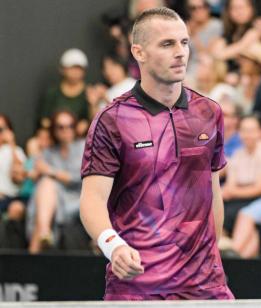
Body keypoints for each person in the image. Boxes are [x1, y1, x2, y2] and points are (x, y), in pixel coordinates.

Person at [79, 7, 233, 300]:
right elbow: (92, 198)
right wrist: (113, 245)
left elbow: (213, 191)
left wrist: (214, 258)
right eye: (167, 44)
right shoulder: (113, 119)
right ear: (139, 52)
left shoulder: (209, 112)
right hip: (138, 287)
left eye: (184, 42)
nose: (180, 52)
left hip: (205, 285)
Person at [27, 111, 86, 254]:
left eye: (70, 126)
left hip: (78, 197)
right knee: (46, 185)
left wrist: (50, 171)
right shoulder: (50, 152)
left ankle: (43, 233)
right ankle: (44, 232)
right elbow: (34, 175)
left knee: (47, 184)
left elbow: (78, 177)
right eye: (61, 127)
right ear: (54, 130)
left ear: (75, 127)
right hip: (54, 199)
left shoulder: (84, 146)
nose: (66, 130)